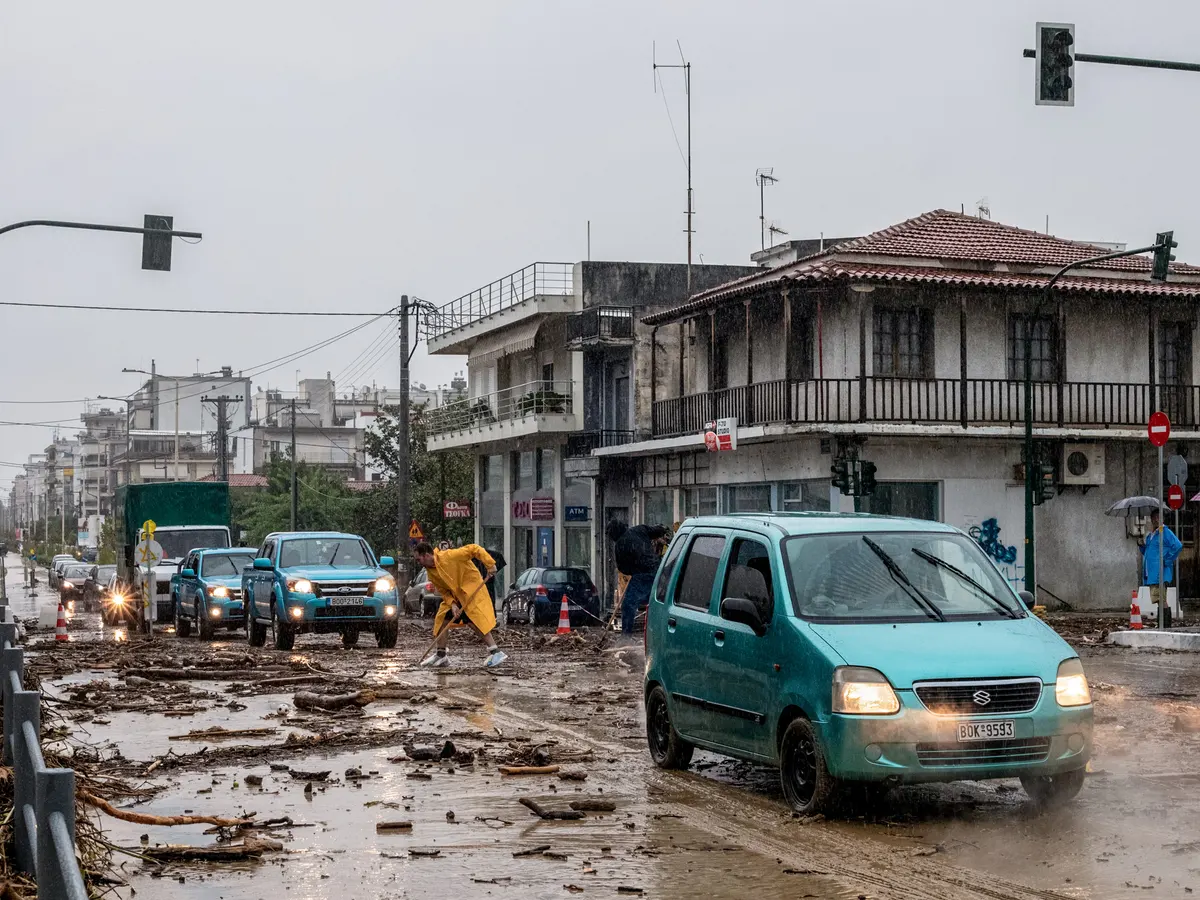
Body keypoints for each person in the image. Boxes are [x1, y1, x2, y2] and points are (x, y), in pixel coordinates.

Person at [413, 541, 507, 668]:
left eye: (419, 559)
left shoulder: (450, 556)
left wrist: (490, 564)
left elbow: (474, 548)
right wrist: (452, 604)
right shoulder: (431, 571)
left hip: (471, 591)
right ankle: (441, 655)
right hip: (456, 597)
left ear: (426, 555)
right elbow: (443, 590)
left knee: (474, 621)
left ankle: (495, 652)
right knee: (442, 619)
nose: (418, 562)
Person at [607, 520, 671, 636]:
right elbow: (656, 531)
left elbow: (622, 568)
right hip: (659, 572)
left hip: (641, 575)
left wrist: (633, 570)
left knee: (628, 604)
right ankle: (660, 632)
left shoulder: (620, 545)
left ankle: (626, 635)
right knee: (658, 602)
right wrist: (662, 529)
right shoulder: (639, 530)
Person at [1139, 509, 1183, 619]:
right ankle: (1162, 624)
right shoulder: (1151, 536)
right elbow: (1148, 553)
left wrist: (1167, 560)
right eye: (1154, 518)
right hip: (1152, 573)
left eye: (1158, 517)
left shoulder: (1165, 532)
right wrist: (1141, 546)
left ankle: (1165, 624)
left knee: (1161, 598)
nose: (1155, 520)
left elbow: (1177, 546)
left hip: (1159, 572)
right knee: (1158, 598)